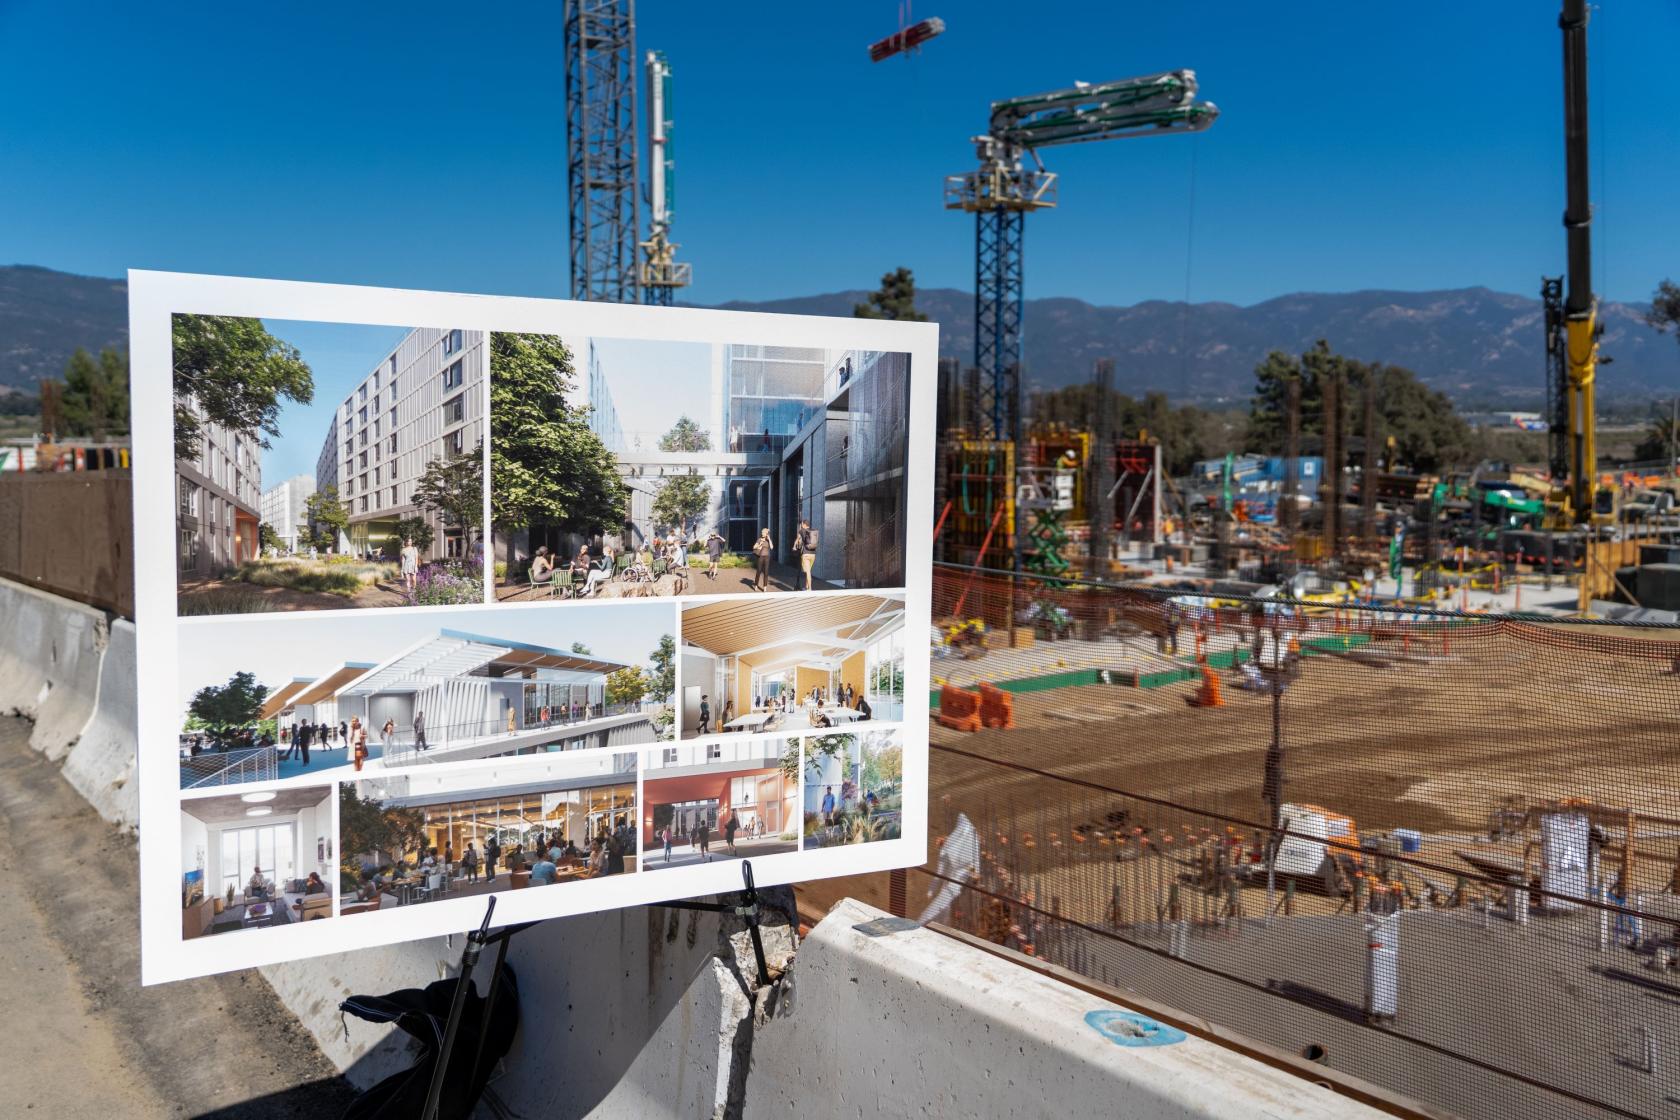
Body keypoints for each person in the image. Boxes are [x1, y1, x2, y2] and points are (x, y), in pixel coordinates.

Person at [793, 518, 818, 591]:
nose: (801, 525)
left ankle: (810, 589)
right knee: (809, 571)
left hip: (806, 554)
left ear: (804, 524)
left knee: (808, 572)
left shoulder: (801, 531)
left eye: (801, 524)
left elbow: (798, 539)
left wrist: (794, 546)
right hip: (813, 554)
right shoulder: (813, 531)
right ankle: (806, 587)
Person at [752, 527, 773, 592]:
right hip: (760, 557)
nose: (762, 533)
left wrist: (769, 539)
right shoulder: (759, 539)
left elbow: (771, 547)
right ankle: (756, 585)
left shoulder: (768, 540)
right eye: (762, 532)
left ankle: (765, 587)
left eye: (763, 532)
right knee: (758, 571)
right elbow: (754, 547)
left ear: (766, 533)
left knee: (766, 572)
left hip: (767, 557)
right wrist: (760, 544)